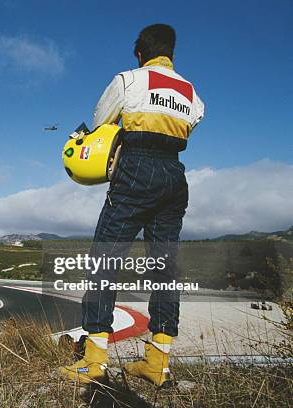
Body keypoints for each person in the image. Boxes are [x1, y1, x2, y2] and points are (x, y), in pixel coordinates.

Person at [59, 24, 204, 387]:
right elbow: (194, 120)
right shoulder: (190, 92)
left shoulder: (129, 79)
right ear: (171, 53)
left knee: (104, 259)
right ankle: (157, 363)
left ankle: (93, 361)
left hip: (137, 168)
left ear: (140, 52)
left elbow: (99, 120)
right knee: (164, 268)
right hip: (175, 174)